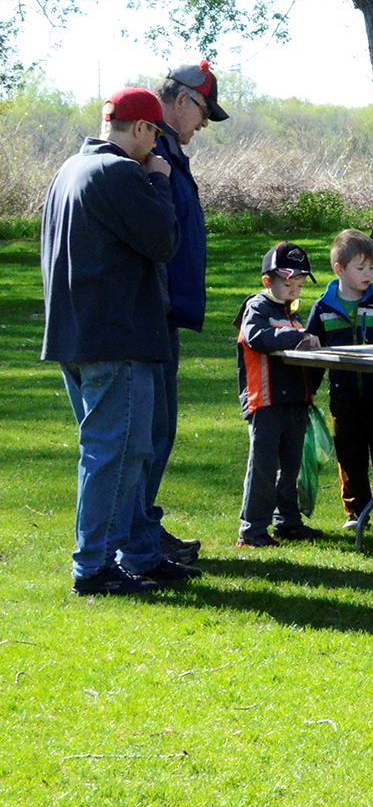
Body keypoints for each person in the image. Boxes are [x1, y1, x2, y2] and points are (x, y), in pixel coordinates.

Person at [41, 88, 192, 595]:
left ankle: (141, 554)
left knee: (126, 449)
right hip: (116, 336)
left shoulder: (69, 170)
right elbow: (163, 241)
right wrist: (159, 183)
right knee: (115, 453)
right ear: (144, 129)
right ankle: (95, 566)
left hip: (75, 333)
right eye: (154, 135)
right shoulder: (123, 173)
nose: (156, 148)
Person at [127, 59, 229, 572]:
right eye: (204, 111)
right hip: (153, 315)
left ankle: (142, 525)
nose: (204, 124)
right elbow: (152, 235)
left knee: (158, 429)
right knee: (149, 432)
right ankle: (136, 535)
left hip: (165, 315)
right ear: (184, 99)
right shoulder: (152, 151)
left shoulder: (167, 151)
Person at [305, 228, 373, 529]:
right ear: (339, 270)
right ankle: (356, 512)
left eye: (372, 267)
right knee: (350, 455)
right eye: (360, 268)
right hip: (343, 398)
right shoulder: (323, 308)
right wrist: (308, 390)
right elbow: (312, 355)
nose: (368, 274)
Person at [234, 242, 325, 548]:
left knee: (291, 468)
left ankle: (286, 522)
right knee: (262, 468)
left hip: (295, 403)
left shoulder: (294, 314)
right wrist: (296, 336)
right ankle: (252, 530)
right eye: (288, 283)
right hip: (266, 401)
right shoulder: (256, 308)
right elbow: (257, 337)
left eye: (298, 284)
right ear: (267, 281)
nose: (294, 289)